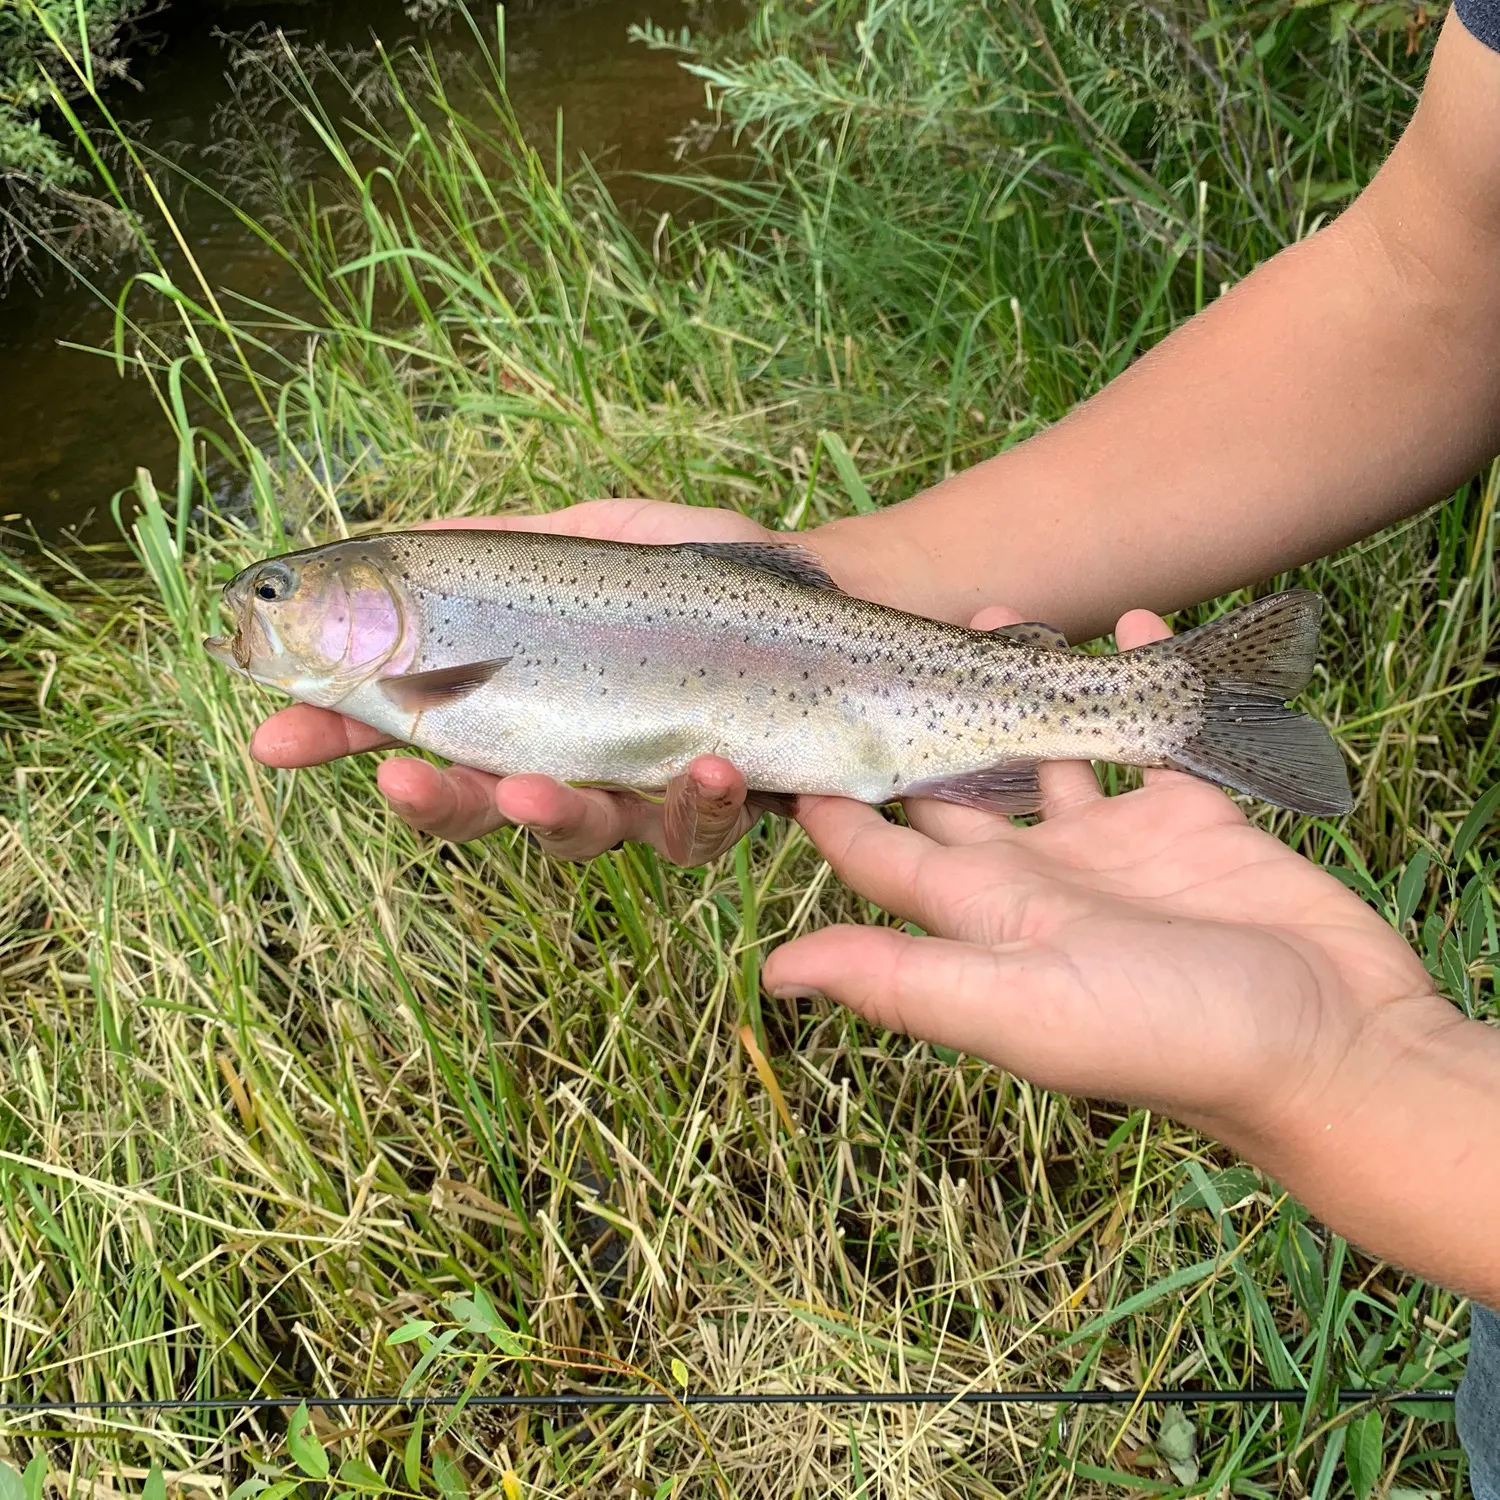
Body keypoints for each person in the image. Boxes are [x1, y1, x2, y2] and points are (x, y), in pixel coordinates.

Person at [247, 0, 1500, 1487]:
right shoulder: (432, 655)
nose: (257, 611)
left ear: (365, 606)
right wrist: (1387, 1077)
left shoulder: (438, 652)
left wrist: (1356, 1081)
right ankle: (1171, 708)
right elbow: (1445, 279)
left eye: (277, 596)